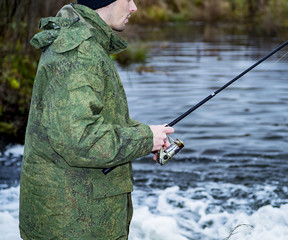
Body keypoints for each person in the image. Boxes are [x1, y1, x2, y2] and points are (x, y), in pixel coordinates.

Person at [19, 0, 174, 239]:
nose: (134, 8)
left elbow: (87, 121)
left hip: (75, 216)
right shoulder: (80, 54)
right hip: (75, 224)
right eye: (128, 0)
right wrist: (144, 139)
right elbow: (79, 140)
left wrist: (147, 135)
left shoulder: (84, 42)